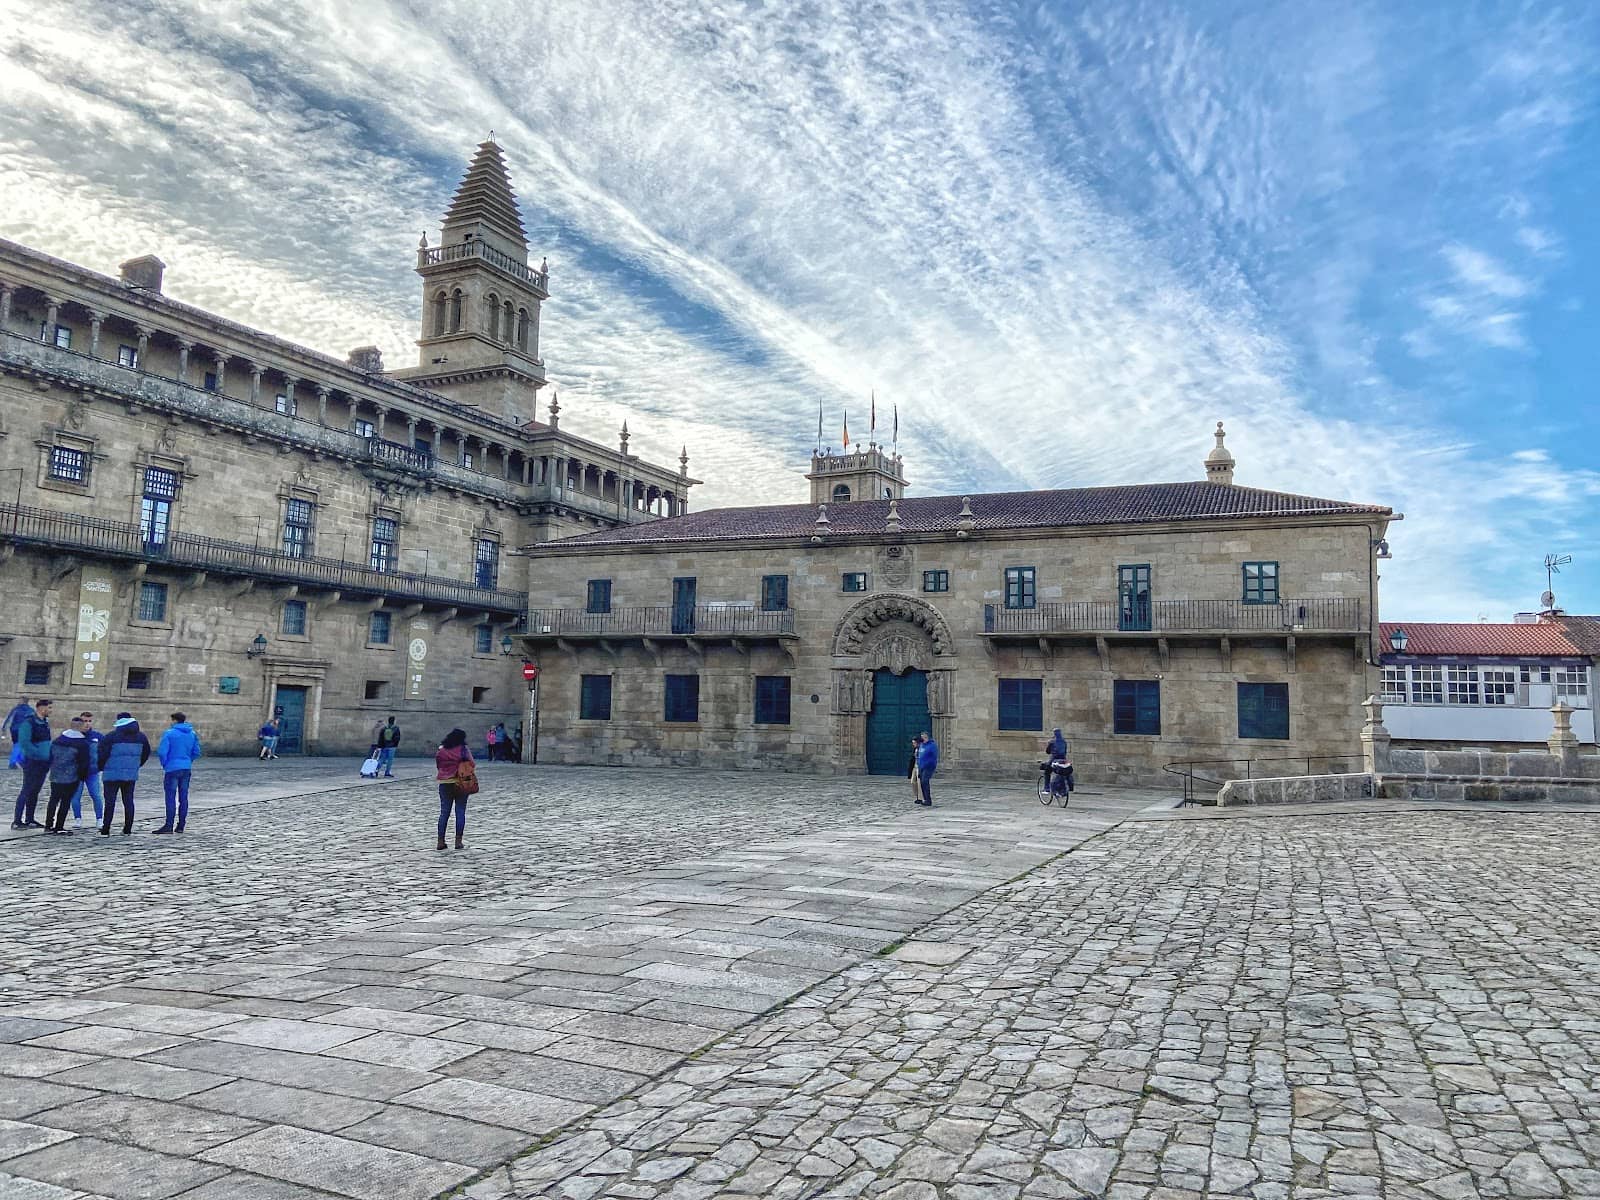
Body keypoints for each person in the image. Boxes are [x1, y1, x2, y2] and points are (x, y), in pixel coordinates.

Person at [99, 712, 151, 836]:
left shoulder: (111, 737)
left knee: (110, 802)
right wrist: (135, 766)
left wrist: (101, 767)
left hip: (111, 774)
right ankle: (128, 828)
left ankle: (106, 828)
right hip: (130, 774)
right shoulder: (141, 737)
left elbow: (102, 755)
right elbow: (145, 754)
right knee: (128, 800)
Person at [155, 711, 202, 834]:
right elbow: (196, 751)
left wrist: (165, 763)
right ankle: (181, 825)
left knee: (170, 797)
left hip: (172, 768)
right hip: (186, 767)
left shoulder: (170, 733)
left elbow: (162, 752)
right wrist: (188, 761)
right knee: (184, 797)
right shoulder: (192, 733)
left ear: (174, 720)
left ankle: (169, 825)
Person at [44, 715, 91, 834]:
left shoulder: (58, 740)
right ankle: (59, 826)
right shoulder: (82, 744)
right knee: (65, 801)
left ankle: (48, 824)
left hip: (55, 775)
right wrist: (82, 776)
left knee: (53, 800)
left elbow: (50, 757)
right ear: (80, 727)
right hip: (71, 777)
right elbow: (84, 763)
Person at [10, 698, 52, 828]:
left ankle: (30, 818)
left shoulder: (44, 723)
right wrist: (38, 753)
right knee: (27, 790)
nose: (51, 710)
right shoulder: (29, 723)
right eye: (49, 708)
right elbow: (25, 742)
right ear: (41, 708)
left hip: (44, 763)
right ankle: (17, 821)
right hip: (33, 761)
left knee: (35, 791)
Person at [435, 728, 474, 850]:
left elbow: (438, 764)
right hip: (461, 783)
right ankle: (458, 841)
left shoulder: (442, 750)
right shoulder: (463, 749)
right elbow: (472, 763)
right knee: (460, 811)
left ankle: (440, 841)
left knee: (444, 813)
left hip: (445, 783)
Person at [70, 711, 105, 827]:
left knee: (96, 795)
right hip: (77, 771)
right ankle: (77, 818)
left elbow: (104, 751)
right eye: (85, 721)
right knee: (75, 796)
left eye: (89, 721)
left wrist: (100, 764)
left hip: (92, 771)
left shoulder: (97, 736)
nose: (87, 724)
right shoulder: (74, 736)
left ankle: (99, 818)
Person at [6, 697, 33, 767]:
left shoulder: (16, 709)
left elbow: (9, 718)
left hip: (14, 730)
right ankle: (13, 762)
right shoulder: (30, 710)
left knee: (18, 745)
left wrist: (4, 728)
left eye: (19, 700)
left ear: (22, 701)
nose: (18, 701)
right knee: (19, 745)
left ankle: (21, 761)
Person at [915, 730, 939, 807]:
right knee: (922, 782)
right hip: (921, 766)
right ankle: (925, 799)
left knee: (925, 781)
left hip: (929, 766)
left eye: (924, 737)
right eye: (922, 737)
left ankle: (928, 800)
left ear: (928, 737)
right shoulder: (922, 745)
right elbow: (919, 755)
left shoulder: (932, 745)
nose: (923, 738)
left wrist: (930, 763)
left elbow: (934, 756)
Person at [906, 733, 923, 803]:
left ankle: (920, 798)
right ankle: (917, 795)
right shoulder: (915, 749)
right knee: (913, 781)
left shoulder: (922, 749)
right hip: (914, 767)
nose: (913, 744)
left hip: (920, 767)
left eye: (914, 743)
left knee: (919, 783)